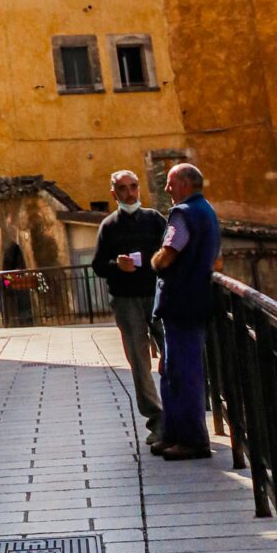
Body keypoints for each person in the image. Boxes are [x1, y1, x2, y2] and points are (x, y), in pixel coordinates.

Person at [150, 162, 222, 461]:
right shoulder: (207, 211)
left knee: (182, 373)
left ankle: (191, 439)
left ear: (185, 183)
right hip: (195, 299)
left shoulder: (183, 213)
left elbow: (168, 255)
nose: (167, 188)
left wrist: (154, 262)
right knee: (175, 370)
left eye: (171, 182)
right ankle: (175, 434)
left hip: (181, 301)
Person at [93, 168, 166, 443]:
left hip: (157, 295)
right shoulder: (108, 226)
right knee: (138, 361)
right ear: (114, 194)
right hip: (125, 300)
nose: (130, 193)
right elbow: (98, 265)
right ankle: (157, 420)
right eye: (123, 188)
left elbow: (171, 251)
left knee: (171, 354)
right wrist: (117, 265)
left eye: (133, 186)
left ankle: (178, 413)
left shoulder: (154, 219)